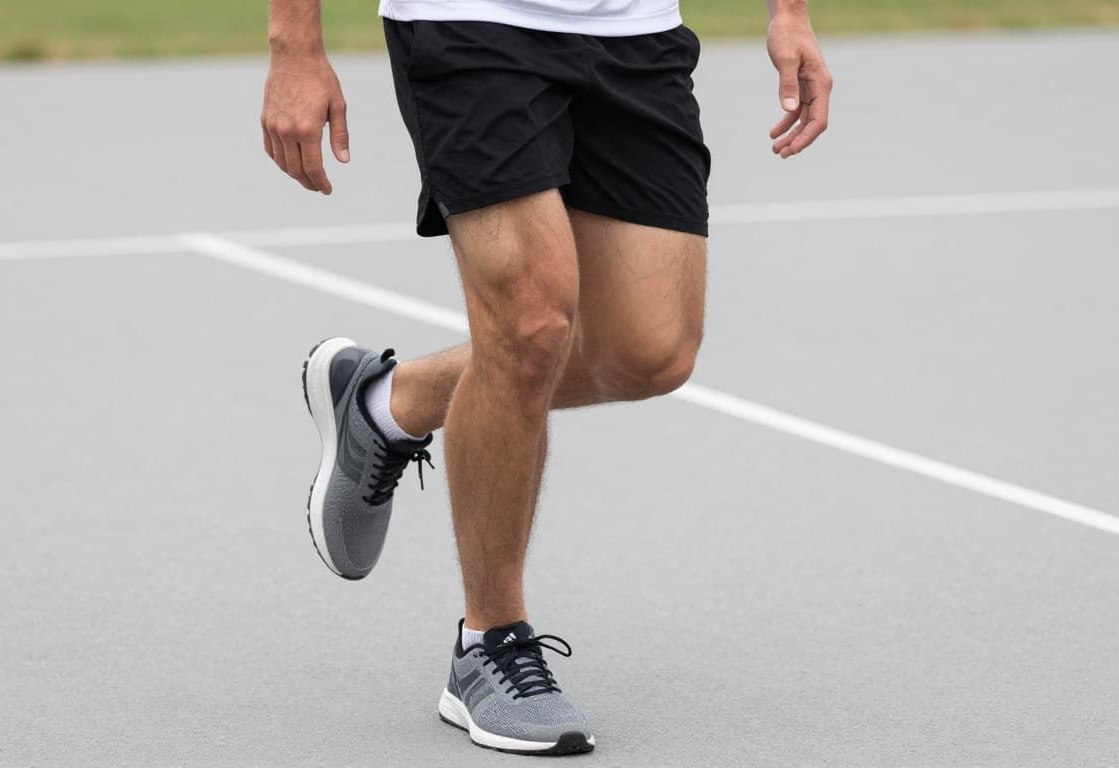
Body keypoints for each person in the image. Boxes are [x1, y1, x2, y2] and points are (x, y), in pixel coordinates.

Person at [262, 0, 831, 755]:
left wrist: (789, 13)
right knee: (530, 328)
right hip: (467, 24)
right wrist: (295, 43)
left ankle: (389, 403)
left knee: (649, 352)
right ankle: (488, 644)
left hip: (632, 30)